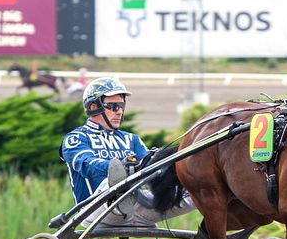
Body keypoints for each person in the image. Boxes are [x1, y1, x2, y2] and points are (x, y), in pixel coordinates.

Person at [59, 76, 196, 228]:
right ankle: (121, 189)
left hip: (139, 209)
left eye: (121, 105)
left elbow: (149, 167)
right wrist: (119, 168)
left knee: (195, 188)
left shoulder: (132, 139)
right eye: (113, 106)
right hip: (95, 211)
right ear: (93, 107)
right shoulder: (76, 138)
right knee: (114, 181)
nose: (119, 111)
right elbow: (87, 165)